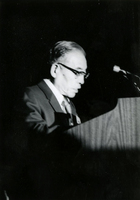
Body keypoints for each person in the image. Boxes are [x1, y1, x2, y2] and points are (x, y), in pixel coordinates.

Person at [7, 41, 89, 200]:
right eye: (77, 72)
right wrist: (84, 135)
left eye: (84, 74)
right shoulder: (30, 96)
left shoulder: (70, 106)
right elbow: (36, 137)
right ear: (55, 69)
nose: (82, 81)